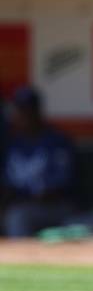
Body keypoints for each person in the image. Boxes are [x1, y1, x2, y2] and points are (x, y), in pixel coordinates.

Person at [1, 87, 76, 237]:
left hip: (55, 207)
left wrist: (25, 197)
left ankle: (22, 258)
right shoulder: (14, 143)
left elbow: (59, 188)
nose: (21, 116)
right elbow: (7, 186)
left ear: (37, 112)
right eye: (19, 111)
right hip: (20, 205)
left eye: (26, 110)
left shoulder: (56, 142)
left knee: (18, 217)